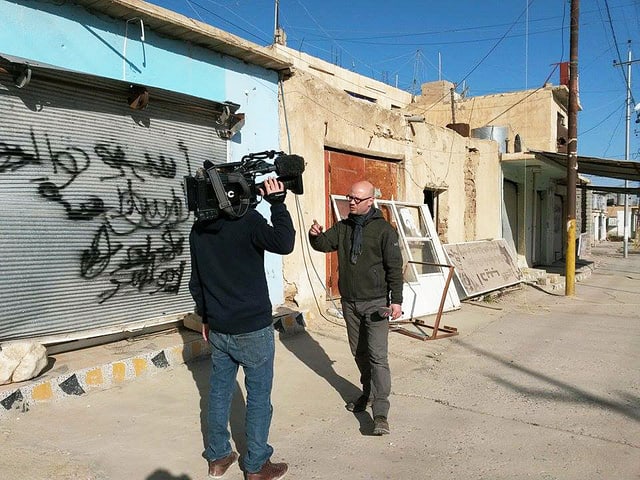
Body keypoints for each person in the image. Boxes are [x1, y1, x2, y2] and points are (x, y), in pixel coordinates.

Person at [189, 176, 294, 480]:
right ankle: (257, 464)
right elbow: (284, 243)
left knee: (219, 393)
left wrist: (205, 318)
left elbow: (197, 282)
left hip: (219, 327)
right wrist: (278, 205)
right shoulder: (248, 221)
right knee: (259, 396)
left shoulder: (199, 229)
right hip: (252, 328)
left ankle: (219, 458)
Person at [308, 180, 403, 436]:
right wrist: (315, 235)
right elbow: (323, 245)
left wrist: (396, 301)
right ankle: (368, 393)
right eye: (349, 197)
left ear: (370, 201)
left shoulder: (384, 231)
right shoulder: (344, 227)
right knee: (359, 352)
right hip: (350, 302)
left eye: (357, 199)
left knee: (377, 356)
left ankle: (380, 412)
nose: (351, 201)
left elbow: (394, 268)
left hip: (376, 303)